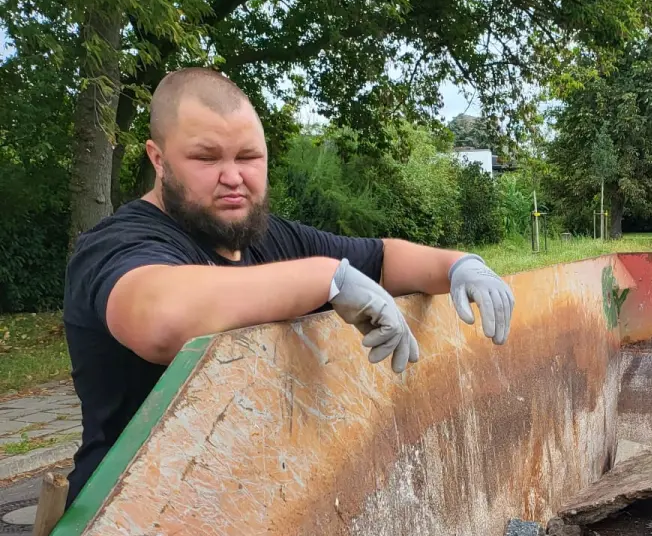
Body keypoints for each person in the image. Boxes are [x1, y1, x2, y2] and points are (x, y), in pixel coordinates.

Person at [63, 68, 514, 501]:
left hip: (240, 507)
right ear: (158, 159)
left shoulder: (268, 238)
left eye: (248, 157)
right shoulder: (119, 243)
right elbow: (161, 319)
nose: (233, 177)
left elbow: (384, 258)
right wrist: (322, 279)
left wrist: (460, 266)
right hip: (126, 532)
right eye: (206, 157)